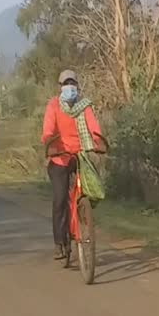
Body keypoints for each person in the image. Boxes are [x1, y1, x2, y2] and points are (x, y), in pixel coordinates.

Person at [40, 70, 103, 260]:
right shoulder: (53, 106)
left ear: (77, 85)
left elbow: (93, 128)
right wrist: (50, 143)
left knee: (90, 190)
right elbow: (48, 130)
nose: (70, 87)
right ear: (60, 87)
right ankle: (60, 242)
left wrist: (98, 142)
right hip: (59, 157)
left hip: (79, 156)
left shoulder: (84, 106)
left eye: (72, 83)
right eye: (66, 83)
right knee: (60, 199)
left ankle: (84, 222)